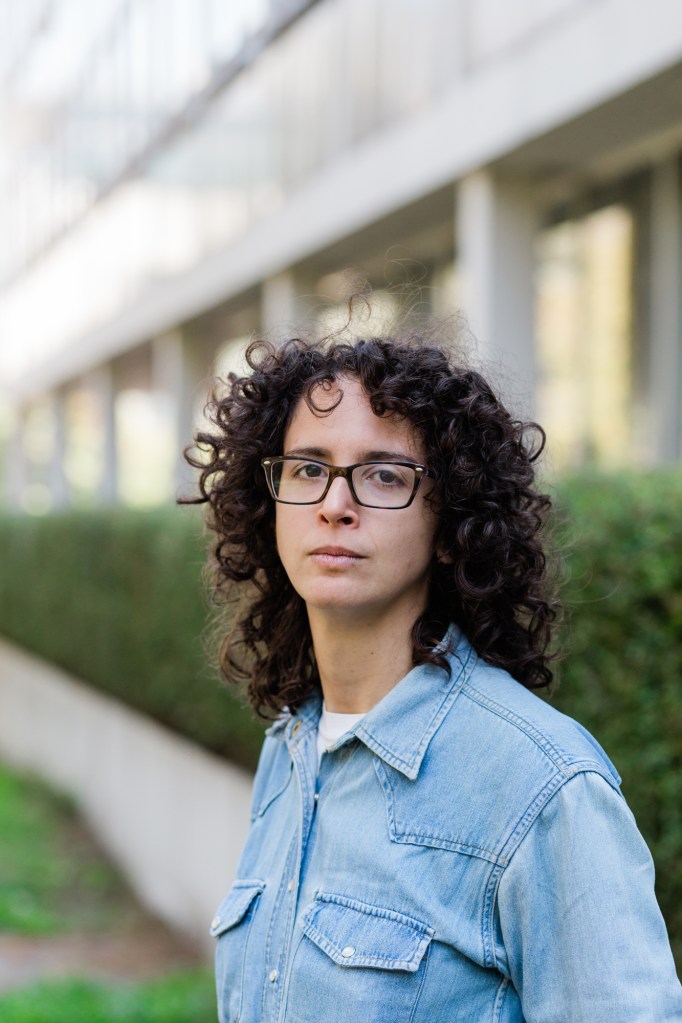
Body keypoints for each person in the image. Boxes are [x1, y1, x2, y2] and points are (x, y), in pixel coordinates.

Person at [187, 334, 682, 1022]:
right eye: (308, 469)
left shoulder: (542, 786)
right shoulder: (289, 748)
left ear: (450, 526)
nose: (335, 503)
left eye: (384, 474)